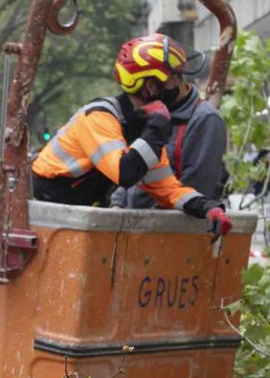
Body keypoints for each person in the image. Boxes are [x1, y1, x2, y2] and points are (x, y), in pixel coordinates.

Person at [32, 34, 231, 236]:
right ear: (150, 87)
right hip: (42, 211)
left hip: (72, 214)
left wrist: (208, 208)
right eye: (173, 78)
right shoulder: (99, 117)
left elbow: (167, 189)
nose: (180, 85)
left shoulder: (140, 128)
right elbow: (125, 172)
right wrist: (156, 130)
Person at [117, 38, 227, 209]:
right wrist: (117, 206)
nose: (143, 98)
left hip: (169, 230)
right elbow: (130, 173)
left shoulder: (205, 120)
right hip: (130, 227)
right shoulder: (151, 114)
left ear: (175, 79)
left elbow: (194, 190)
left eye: (150, 88)